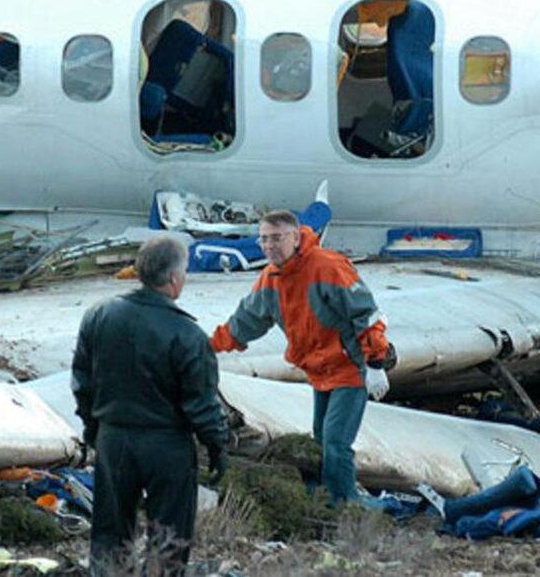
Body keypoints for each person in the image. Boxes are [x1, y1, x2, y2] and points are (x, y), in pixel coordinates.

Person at [210, 210, 393, 505]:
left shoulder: (327, 267)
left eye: (277, 239)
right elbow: (245, 322)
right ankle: (322, 499)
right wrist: (208, 346)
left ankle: (344, 507)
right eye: (264, 239)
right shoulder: (271, 279)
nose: (269, 246)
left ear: (295, 237)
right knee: (321, 442)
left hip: (349, 368)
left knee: (336, 443)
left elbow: (366, 313)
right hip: (319, 373)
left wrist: (375, 363)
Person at [72, 236, 227, 576]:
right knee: (168, 538)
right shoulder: (188, 334)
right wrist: (216, 445)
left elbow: (83, 383)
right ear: (173, 279)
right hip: (166, 444)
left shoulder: (98, 315)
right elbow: (201, 403)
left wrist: (92, 429)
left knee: (110, 534)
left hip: (114, 437)